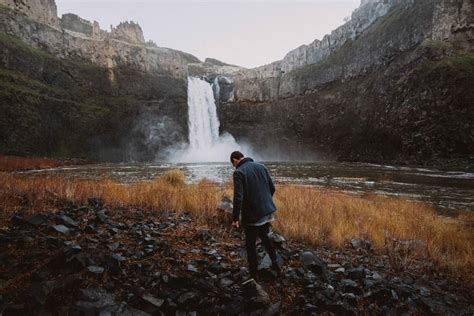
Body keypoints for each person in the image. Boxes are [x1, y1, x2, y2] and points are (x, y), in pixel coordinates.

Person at [230, 151, 281, 281]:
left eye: (233, 164)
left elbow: (238, 197)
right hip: (267, 211)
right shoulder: (261, 166)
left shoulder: (239, 172)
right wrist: (265, 202)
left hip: (253, 215)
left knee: (250, 245)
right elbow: (272, 188)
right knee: (265, 237)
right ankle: (276, 266)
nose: (234, 166)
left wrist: (235, 218)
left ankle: (254, 275)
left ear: (235, 160)